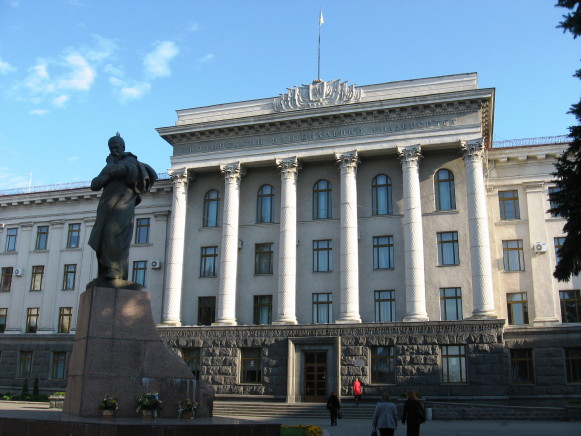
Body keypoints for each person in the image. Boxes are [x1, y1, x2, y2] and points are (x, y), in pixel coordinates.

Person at [89, 133, 157, 281]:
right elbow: (94, 185)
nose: (113, 150)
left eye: (116, 147)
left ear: (123, 147)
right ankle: (107, 270)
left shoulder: (130, 161)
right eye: (111, 148)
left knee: (113, 234)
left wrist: (110, 170)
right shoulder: (110, 164)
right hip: (106, 208)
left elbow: (122, 170)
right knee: (102, 239)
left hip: (123, 205)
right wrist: (109, 170)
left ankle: (116, 269)